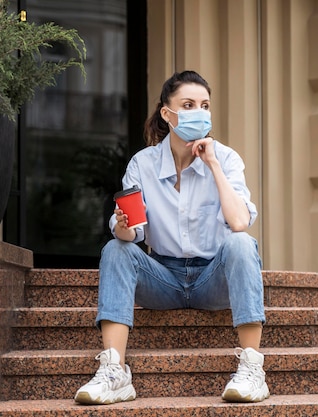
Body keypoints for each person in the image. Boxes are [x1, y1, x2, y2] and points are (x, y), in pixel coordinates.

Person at [74, 70, 268, 405]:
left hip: (212, 278)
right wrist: (122, 224)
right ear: (167, 113)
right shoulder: (143, 163)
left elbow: (239, 222)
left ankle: (252, 369)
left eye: (205, 106)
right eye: (188, 104)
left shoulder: (225, 158)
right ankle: (115, 372)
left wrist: (213, 166)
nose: (199, 113)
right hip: (163, 278)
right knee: (115, 249)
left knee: (241, 243)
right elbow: (131, 234)